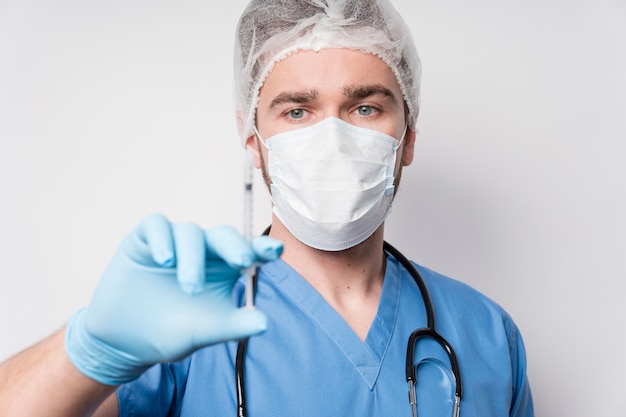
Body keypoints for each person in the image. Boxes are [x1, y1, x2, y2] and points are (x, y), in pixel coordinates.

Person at [0, 0, 534, 415]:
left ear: (408, 138)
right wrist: (93, 347)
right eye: (298, 111)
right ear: (254, 141)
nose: (334, 138)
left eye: (365, 107)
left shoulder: (486, 333)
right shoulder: (188, 318)